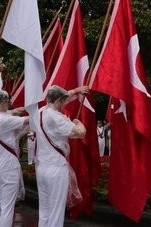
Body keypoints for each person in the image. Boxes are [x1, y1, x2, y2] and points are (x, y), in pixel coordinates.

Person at [36, 85, 88, 227]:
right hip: (56, 169)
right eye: (63, 100)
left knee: (44, 211)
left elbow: (62, 98)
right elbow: (79, 132)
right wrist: (80, 123)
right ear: (58, 99)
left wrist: (76, 90)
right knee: (56, 213)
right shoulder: (57, 118)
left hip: (42, 168)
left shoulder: (40, 112)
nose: (65, 102)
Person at [0, 90, 28, 227]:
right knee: (7, 208)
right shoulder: (4, 120)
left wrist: (18, 110)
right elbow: (26, 120)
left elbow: (11, 113)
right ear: (3, 102)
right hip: (8, 168)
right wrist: (40, 112)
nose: (9, 105)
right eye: (8, 102)